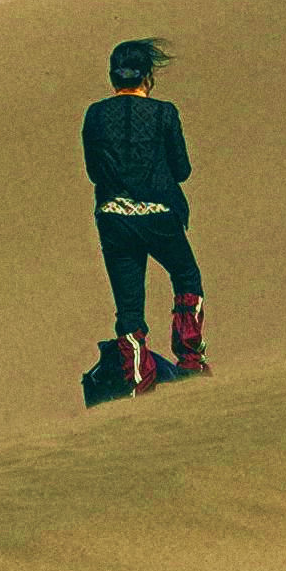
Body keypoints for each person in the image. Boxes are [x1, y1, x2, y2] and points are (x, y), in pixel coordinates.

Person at [78, 36, 203, 402]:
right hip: (161, 215)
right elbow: (182, 170)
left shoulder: (95, 114)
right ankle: (191, 360)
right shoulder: (165, 112)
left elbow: (92, 171)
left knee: (129, 304)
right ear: (148, 77)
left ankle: (137, 376)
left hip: (114, 218)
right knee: (185, 276)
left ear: (112, 77)